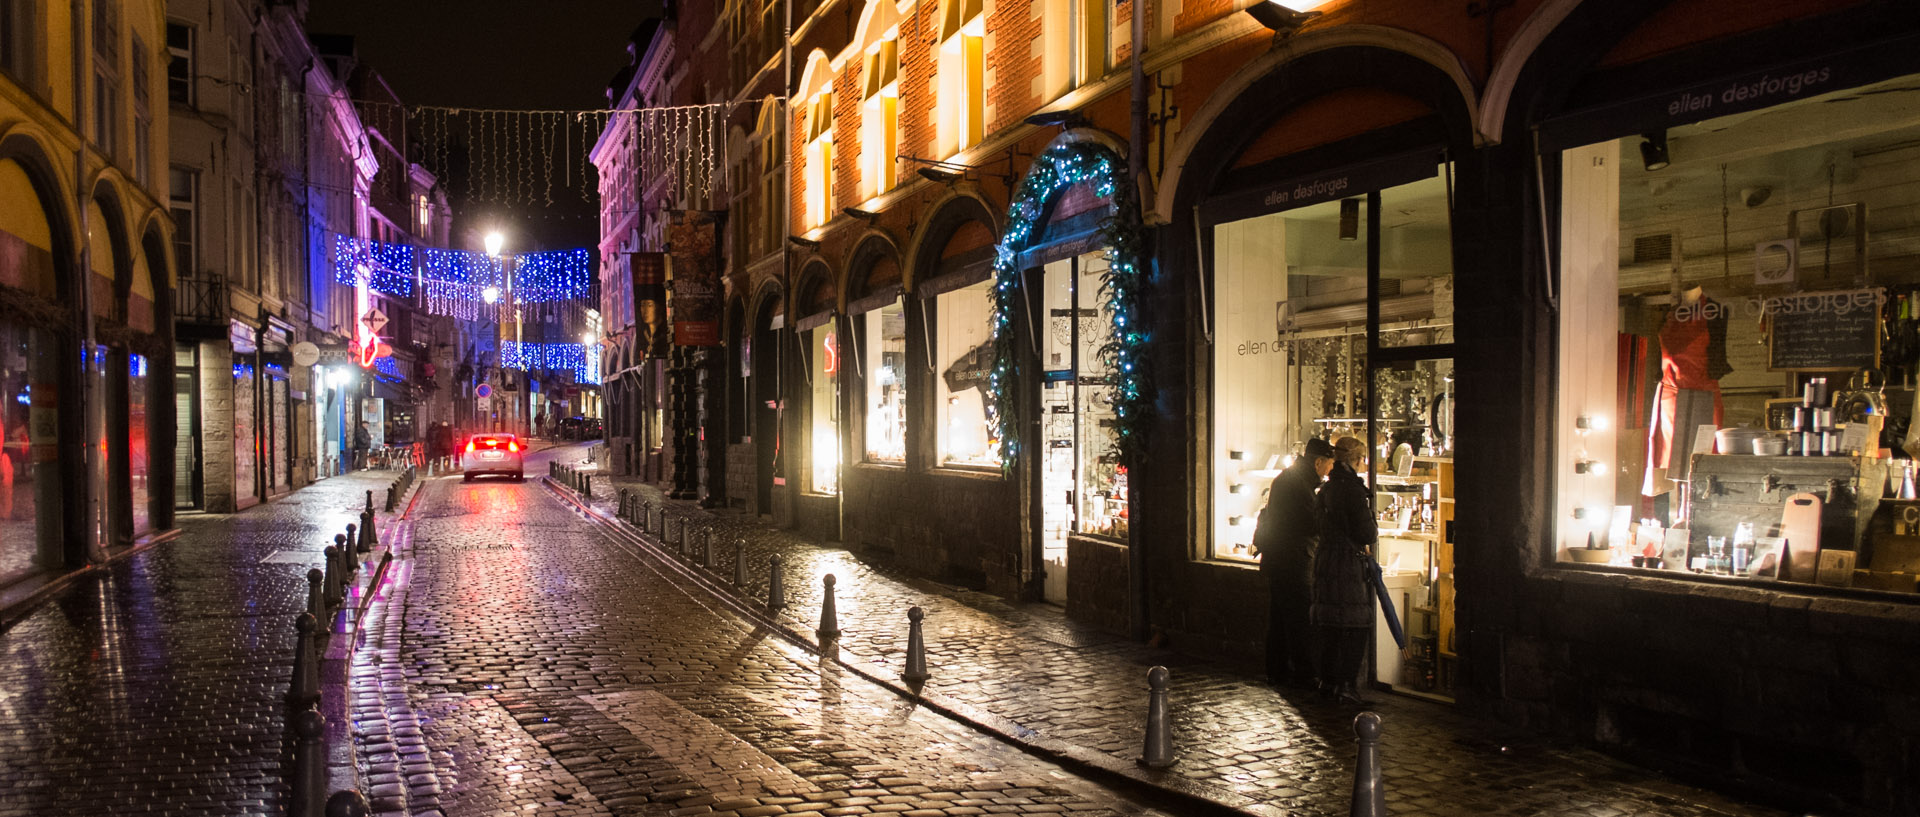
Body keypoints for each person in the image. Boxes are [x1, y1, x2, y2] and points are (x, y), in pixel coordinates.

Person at [1253, 437, 1335, 688]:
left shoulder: (1288, 479)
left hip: (1279, 559)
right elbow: (1310, 524)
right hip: (1293, 560)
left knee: (1279, 617)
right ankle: (1304, 672)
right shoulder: (1299, 486)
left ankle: (1277, 670)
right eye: (1329, 465)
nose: (1329, 471)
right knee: (1299, 618)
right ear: (1318, 462)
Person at [1312, 435, 1378, 705]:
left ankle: (1328, 681)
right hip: (1347, 564)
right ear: (1358, 460)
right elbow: (1366, 532)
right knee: (1354, 624)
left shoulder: (1327, 489)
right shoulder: (1352, 490)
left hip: (1326, 559)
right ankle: (1346, 683)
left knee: (1330, 627)